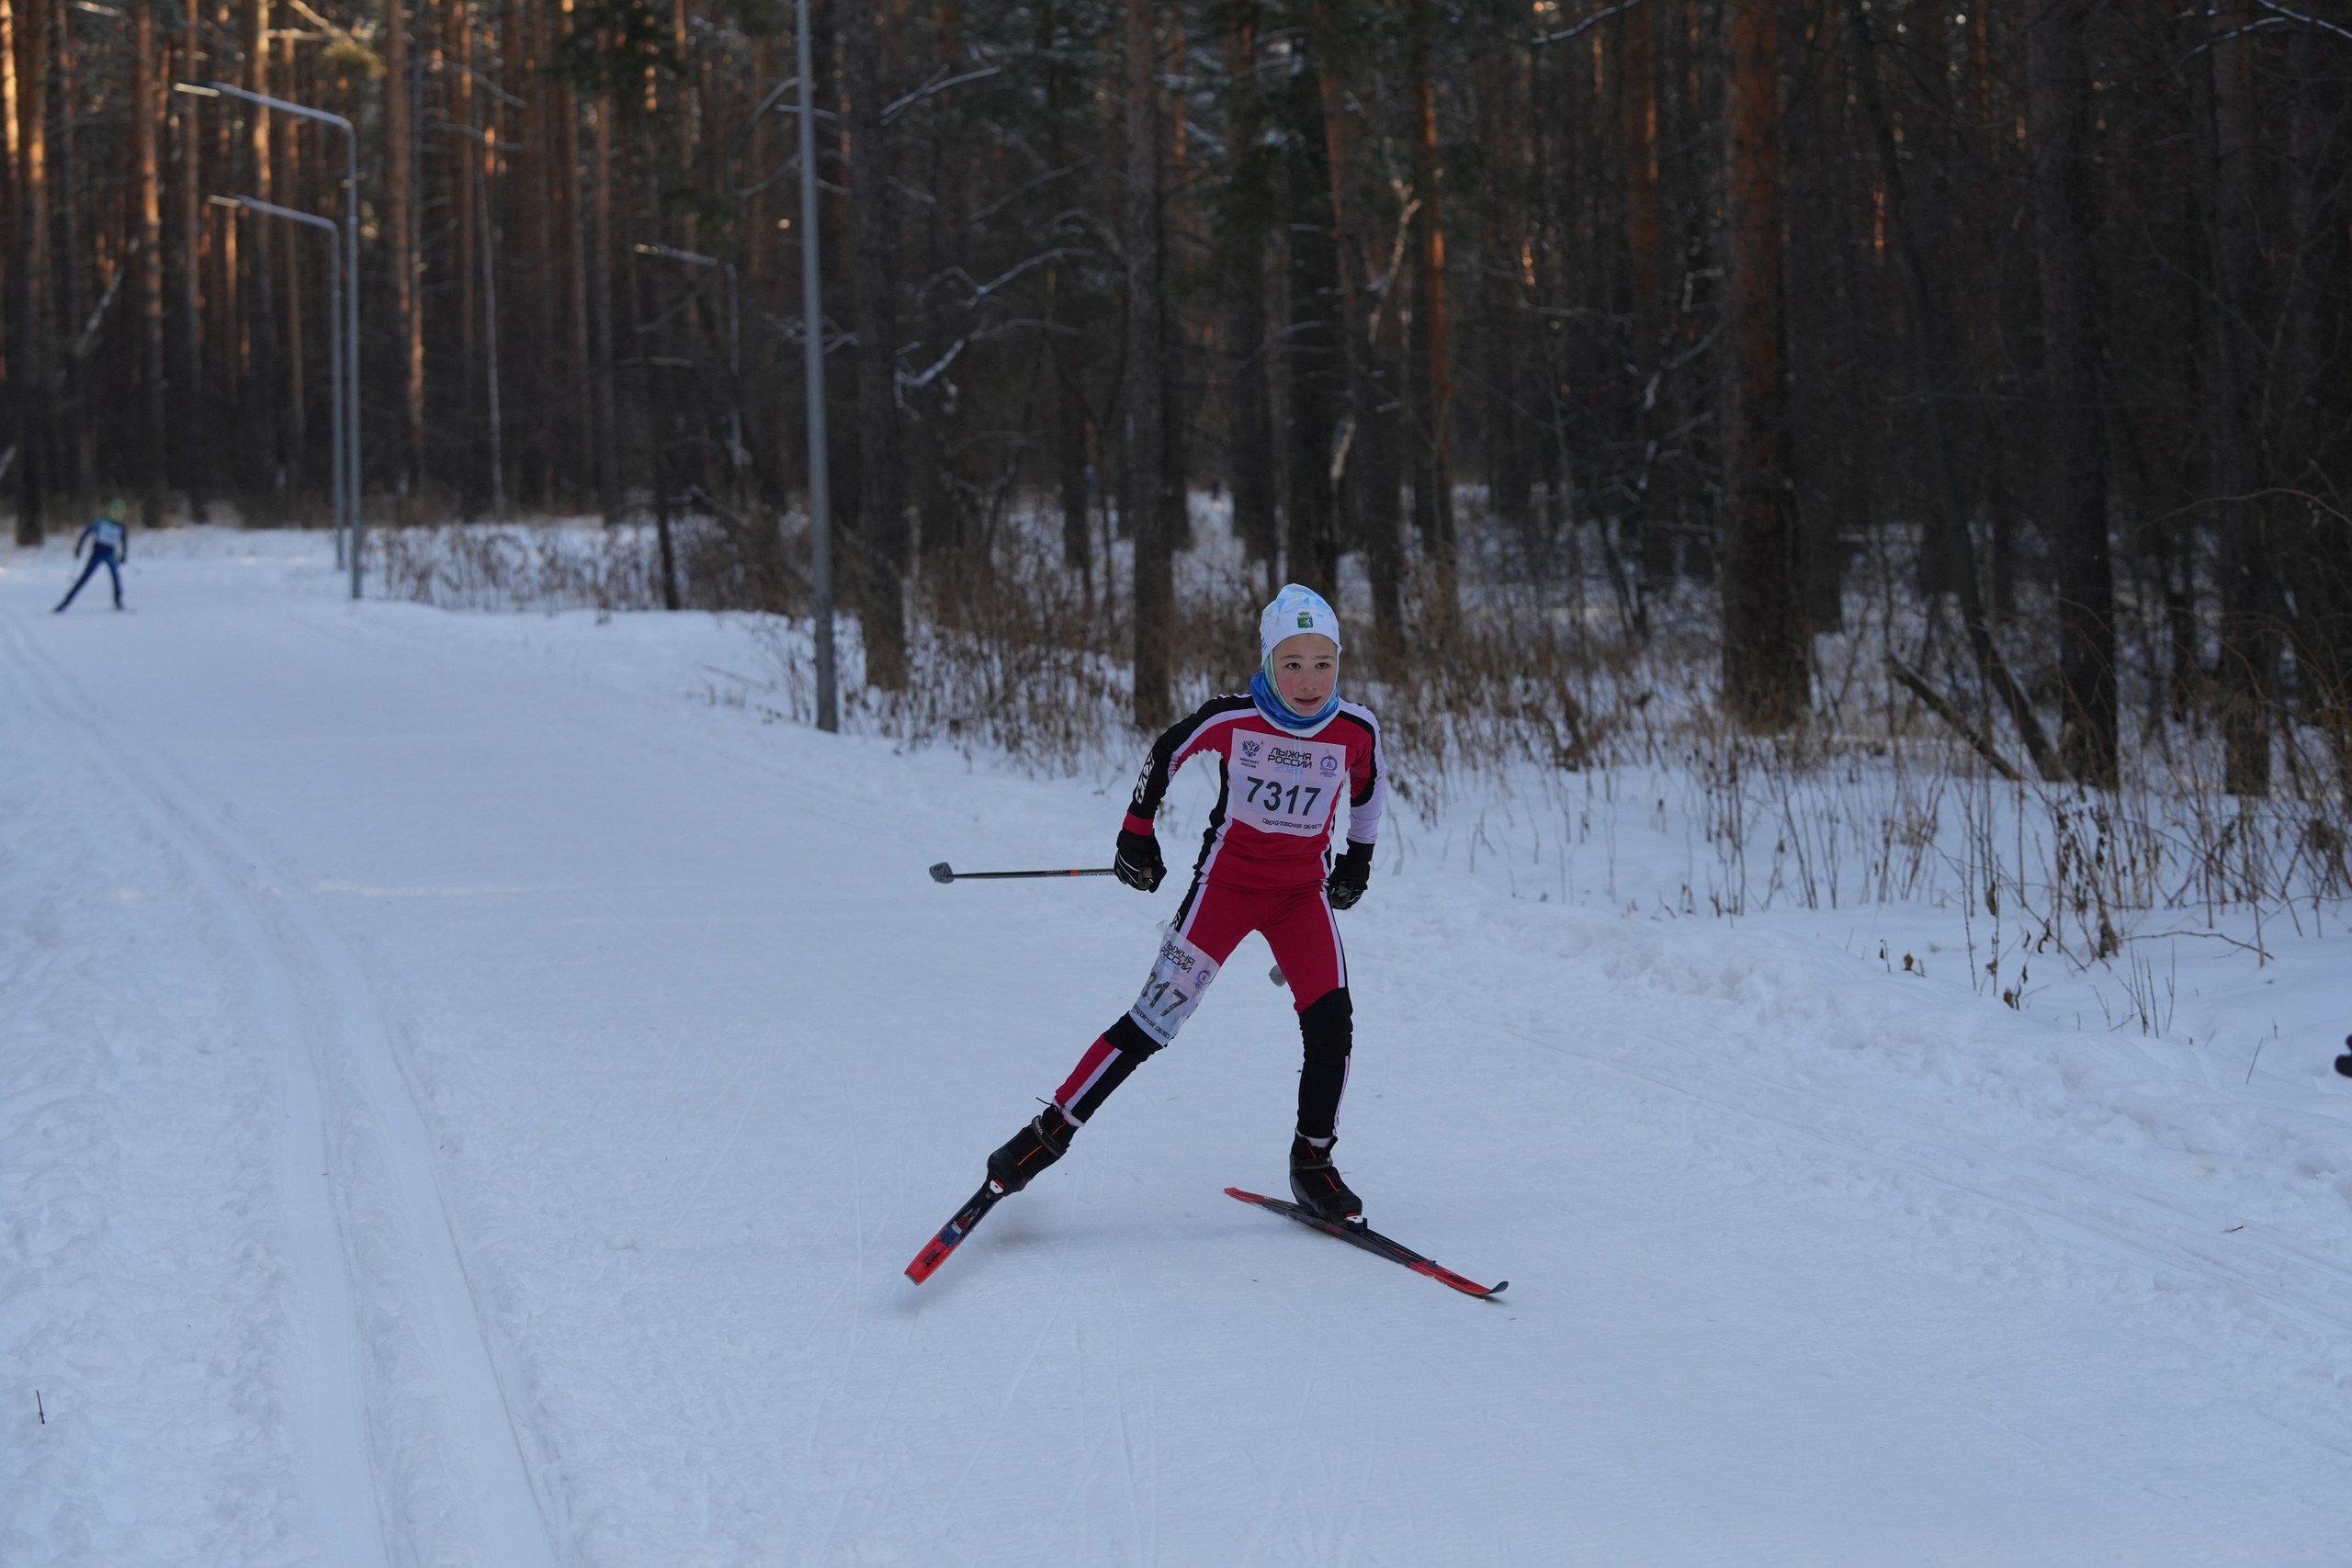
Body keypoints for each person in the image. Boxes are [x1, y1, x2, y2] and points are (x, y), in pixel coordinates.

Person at [978, 583, 1386, 1224]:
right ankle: (1044, 1136)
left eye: (1323, 663)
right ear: (1269, 662)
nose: (1309, 681)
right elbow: (1168, 750)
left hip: (1300, 896)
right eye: (1292, 663)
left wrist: (1358, 860)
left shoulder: (1355, 728)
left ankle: (1313, 1161)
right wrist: (1136, 832)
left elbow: (1369, 790)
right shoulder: (1235, 718)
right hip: (1225, 891)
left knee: (1333, 1025)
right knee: (1151, 1023)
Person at [55, 499, 130, 613]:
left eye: (119, 512)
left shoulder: (120, 526)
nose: (116, 514)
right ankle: (65, 603)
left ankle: (118, 601)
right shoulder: (101, 523)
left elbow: (124, 541)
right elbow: (85, 534)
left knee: (116, 578)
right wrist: (79, 548)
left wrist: (124, 555)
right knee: (84, 578)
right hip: (97, 554)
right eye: (114, 511)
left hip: (110, 554)